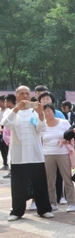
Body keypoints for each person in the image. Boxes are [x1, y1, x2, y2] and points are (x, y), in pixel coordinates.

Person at [3, 86, 54, 220]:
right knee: (18, 185)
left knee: (40, 183)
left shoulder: (35, 111)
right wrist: (17, 108)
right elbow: (5, 123)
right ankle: (17, 211)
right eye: (22, 93)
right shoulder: (11, 112)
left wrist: (41, 114)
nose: (25, 96)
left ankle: (44, 209)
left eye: (27, 93)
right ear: (17, 96)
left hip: (35, 154)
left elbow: (42, 129)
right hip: (18, 155)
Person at [41, 104, 75, 212]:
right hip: (47, 154)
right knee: (50, 180)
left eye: (49, 110)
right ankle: (52, 202)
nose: (47, 113)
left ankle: (71, 203)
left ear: (53, 111)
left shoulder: (63, 122)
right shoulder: (42, 125)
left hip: (62, 153)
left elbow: (71, 136)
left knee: (67, 178)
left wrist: (64, 140)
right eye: (44, 111)